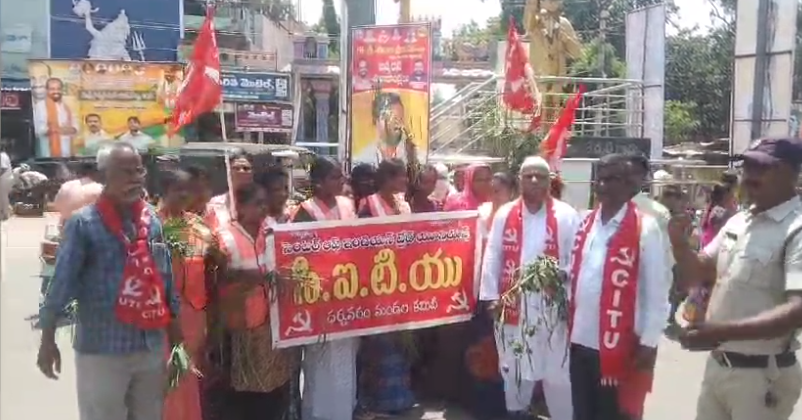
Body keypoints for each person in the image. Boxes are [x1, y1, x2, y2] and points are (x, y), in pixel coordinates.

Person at [36, 142, 180, 420]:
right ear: (104, 176)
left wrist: (175, 338)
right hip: (102, 349)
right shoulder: (83, 224)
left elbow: (165, 281)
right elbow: (61, 284)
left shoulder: (152, 221)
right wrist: (47, 339)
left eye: (138, 171)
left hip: (149, 347)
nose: (135, 178)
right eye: (125, 172)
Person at [670, 137, 802, 420]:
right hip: (719, 367)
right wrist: (679, 245)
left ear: (791, 173)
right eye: (748, 166)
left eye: (762, 168)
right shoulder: (739, 221)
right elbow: (700, 272)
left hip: (763, 377)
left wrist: (720, 332)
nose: (750, 176)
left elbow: (797, 311)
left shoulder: (797, 229)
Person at [567, 153, 670, 420]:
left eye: (611, 179)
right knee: (582, 414)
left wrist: (649, 343)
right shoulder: (585, 223)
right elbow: (575, 274)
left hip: (618, 347)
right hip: (580, 341)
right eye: (599, 179)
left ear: (627, 184)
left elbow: (657, 292)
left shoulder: (645, 227)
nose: (602, 185)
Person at [479, 157, 579, 420]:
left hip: (551, 308)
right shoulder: (505, 214)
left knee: (557, 370)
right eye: (528, 176)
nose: (534, 180)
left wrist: (561, 275)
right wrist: (490, 296)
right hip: (512, 305)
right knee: (513, 366)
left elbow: (577, 258)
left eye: (540, 176)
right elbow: (493, 255)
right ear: (520, 180)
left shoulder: (566, 215)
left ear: (549, 181)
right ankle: (516, 411)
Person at [213, 183, 300, 420]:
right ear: (241, 207)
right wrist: (250, 277)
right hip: (241, 327)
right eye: (257, 204)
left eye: (265, 203)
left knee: (274, 391)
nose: (263, 208)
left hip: (272, 326)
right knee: (244, 395)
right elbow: (217, 278)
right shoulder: (224, 236)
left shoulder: (272, 232)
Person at [291, 157, 359, 420]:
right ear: (318, 183)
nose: (342, 181)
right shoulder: (304, 211)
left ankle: (343, 412)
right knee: (319, 360)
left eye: (342, 176)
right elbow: (296, 252)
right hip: (318, 296)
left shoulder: (347, 204)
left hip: (346, 291)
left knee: (345, 356)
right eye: (335, 177)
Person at [357, 158, 415, 416]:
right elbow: (359, 244)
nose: (405, 180)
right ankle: (375, 400)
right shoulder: (368, 205)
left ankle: (398, 398)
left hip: (402, 284)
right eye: (401, 176)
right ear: (388, 179)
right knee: (377, 344)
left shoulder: (404, 205)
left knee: (401, 341)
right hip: (376, 284)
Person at [160, 169, 213, 420]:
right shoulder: (152, 225)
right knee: (167, 384)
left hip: (195, 320)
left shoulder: (199, 226)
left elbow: (211, 263)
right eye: (177, 189)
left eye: (187, 190)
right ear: (163, 192)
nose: (183, 195)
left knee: (190, 385)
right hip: (163, 321)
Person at [353, 93, 415, 165]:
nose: (399, 124)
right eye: (394, 119)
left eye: (400, 119)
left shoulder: (413, 155)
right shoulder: (363, 159)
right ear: (378, 121)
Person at [33, 77, 78, 157]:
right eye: (52, 89)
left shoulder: (67, 107)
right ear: (47, 90)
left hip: (68, 154)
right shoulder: (40, 106)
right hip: (48, 155)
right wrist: (56, 129)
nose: (56, 91)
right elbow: (38, 130)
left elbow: (76, 128)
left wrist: (71, 129)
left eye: (58, 89)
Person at [207, 152, 254, 229]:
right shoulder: (215, 203)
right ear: (228, 172)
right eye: (236, 168)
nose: (241, 171)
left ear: (252, 173)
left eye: (246, 168)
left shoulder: (261, 203)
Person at [53, 159, 104, 229]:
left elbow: (57, 206)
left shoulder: (66, 185)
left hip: (65, 228)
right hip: (88, 230)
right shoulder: (99, 189)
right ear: (95, 173)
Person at [0, 148, 12, 220]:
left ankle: (4, 215)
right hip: (6, 179)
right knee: (3, 197)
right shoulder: (4, 155)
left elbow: (3, 168)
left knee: (3, 197)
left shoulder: (2, 156)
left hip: (4, 179)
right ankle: (5, 214)